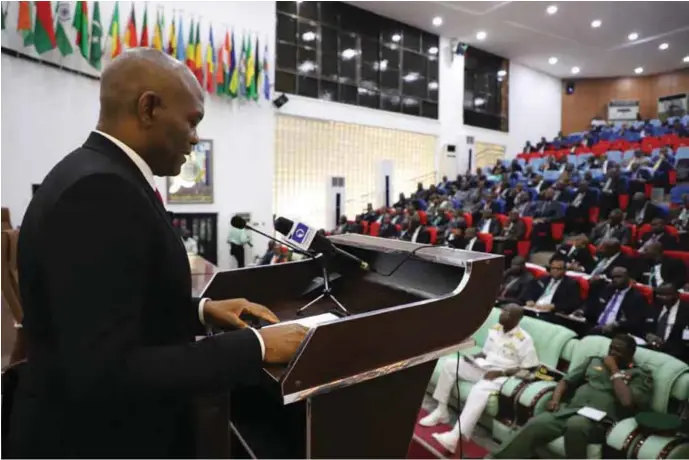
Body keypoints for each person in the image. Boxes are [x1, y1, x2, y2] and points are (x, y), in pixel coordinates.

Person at [9, 49, 308, 458]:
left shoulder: (97, 174)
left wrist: (201, 311)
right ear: (148, 107)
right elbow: (107, 371)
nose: (196, 137)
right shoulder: (100, 192)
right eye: (192, 120)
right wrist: (257, 347)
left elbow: (107, 310)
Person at [492, 334, 653, 459]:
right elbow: (565, 381)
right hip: (570, 410)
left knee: (576, 425)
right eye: (612, 348)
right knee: (537, 423)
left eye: (619, 351)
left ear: (630, 354)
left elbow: (627, 402)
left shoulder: (639, 374)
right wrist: (555, 400)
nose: (612, 353)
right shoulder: (595, 361)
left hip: (600, 421)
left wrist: (614, 370)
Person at [420, 305, 539, 453]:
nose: (501, 314)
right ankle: (441, 410)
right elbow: (486, 352)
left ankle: (454, 436)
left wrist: (501, 373)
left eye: (506, 313)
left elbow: (529, 368)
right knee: (451, 365)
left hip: (502, 376)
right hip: (483, 368)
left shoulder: (524, 340)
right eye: (502, 311)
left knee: (479, 390)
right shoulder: (496, 329)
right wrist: (474, 358)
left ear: (516, 319)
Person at [579, 267, 648, 337]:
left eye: (618, 277)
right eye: (613, 277)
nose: (614, 280)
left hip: (615, 332)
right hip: (595, 326)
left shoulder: (636, 297)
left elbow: (634, 322)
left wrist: (616, 324)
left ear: (628, 278)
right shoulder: (606, 289)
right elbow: (593, 307)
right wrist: (582, 311)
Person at [645, 283, 689, 362]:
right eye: (658, 294)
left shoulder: (686, 310)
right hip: (652, 349)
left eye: (664, 294)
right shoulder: (655, 306)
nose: (659, 297)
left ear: (676, 295)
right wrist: (647, 334)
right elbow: (642, 325)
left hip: (677, 354)